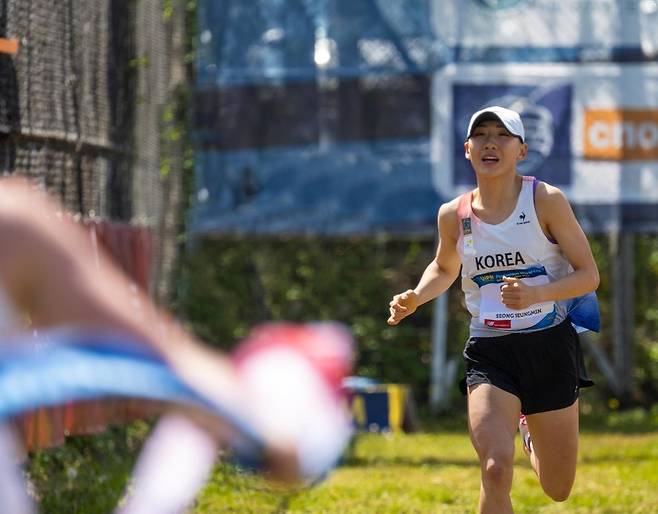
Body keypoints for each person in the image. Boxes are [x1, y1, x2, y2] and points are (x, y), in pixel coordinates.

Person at [0, 177, 353, 513]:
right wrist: (273, 419)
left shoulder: (14, 223)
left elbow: (176, 370)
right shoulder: (14, 221)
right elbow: (177, 369)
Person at [387, 106, 599, 514]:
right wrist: (415, 295)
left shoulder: (545, 200)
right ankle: (509, 430)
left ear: (521, 150)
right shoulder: (454, 214)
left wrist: (538, 295)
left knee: (558, 488)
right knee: (495, 468)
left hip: (549, 345)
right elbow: (445, 267)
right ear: (467, 150)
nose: (490, 142)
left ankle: (529, 431)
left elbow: (589, 275)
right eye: (481, 134)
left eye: (502, 136)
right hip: (490, 349)